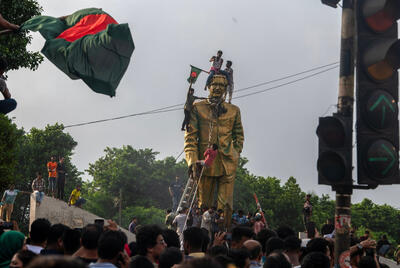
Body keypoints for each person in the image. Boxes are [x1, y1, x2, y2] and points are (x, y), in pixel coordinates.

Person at [185, 74, 244, 229]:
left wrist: (236, 153)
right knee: (204, 204)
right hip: (205, 163)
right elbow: (190, 138)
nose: (218, 88)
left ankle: (224, 237)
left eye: (222, 85)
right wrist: (192, 161)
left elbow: (239, 135)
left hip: (227, 162)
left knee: (226, 206)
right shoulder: (198, 108)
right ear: (208, 86)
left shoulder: (234, 110)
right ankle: (203, 237)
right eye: (214, 84)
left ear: (226, 89)